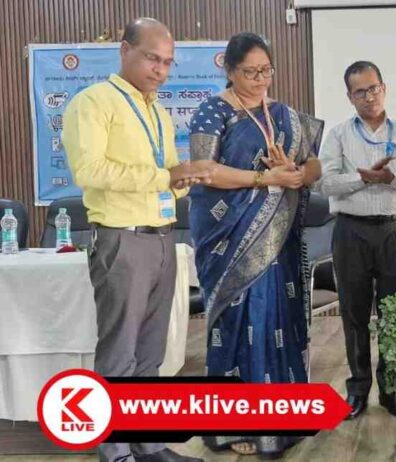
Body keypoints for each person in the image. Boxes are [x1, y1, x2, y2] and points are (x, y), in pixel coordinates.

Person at [62, 18, 208, 462]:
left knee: (151, 353)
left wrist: (184, 179)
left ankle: (149, 443)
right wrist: (165, 176)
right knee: (119, 353)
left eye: (167, 62)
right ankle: (115, 450)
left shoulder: (158, 111)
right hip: (121, 241)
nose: (160, 70)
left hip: (164, 240)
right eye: (152, 58)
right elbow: (89, 171)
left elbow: (168, 178)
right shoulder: (92, 103)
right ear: (124, 51)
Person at [187, 33, 323, 458]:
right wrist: (267, 179)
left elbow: (316, 159)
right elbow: (205, 172)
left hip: (277, 244)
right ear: (229, 70)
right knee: (239, 322)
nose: (261, 79)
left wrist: (299, 175)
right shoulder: (212, 113)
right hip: (227, 242)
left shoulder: (282, 114)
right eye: (251, 71)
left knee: (277, 319)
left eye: (266, 70)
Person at [317, 60, 396, 420]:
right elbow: (324, 183)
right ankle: (357, 390)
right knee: (353, 313)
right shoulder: (337, 136)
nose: (370, 97)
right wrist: (362, 178)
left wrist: (390, 180)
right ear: (350, 97)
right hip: (350, 229)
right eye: (360, 91)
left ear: (384, 87)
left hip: (393, 229)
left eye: (374, 88)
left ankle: (393, 390)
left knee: (393, 313)